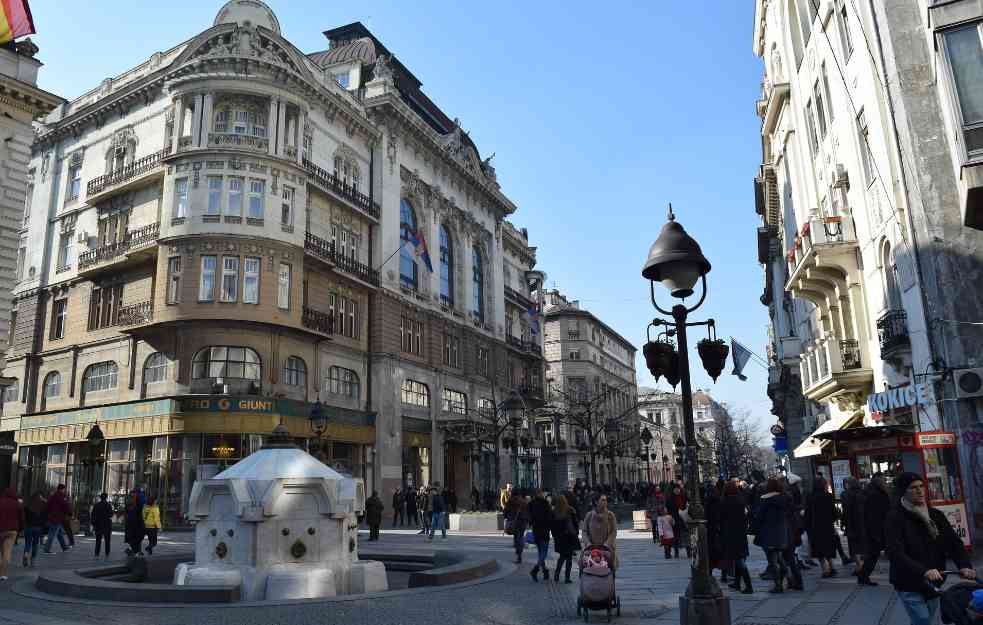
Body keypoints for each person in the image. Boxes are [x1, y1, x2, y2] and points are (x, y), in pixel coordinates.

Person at [886, 472, 975, 625]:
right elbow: (896, 553)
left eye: (921, 486)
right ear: (903, 492)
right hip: (908, 581)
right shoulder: (895, 517)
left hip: (935, 579)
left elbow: (954, 543)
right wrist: (924, 571)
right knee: (923, 619)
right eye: (913, 488)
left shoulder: (935, 515)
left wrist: (964, 565)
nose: (920, 491)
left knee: (928, 619)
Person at [754, 477, 789, 593]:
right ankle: (786, 575)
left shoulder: (766, 500)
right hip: (781, 532)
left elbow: (759, 517)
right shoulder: (784, 498)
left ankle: (778, 585)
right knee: (779, 557)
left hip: (769, 533)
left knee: (773, 561)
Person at [859, 474, 891, 585]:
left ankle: (863, 576)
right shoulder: (876, 495)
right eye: (884, 481)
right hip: (878, 530)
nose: (885, 483)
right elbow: (876, 515)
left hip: (875, 530)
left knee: (873, 555)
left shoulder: (870, 493)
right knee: (873, 555)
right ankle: (863, 576)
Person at [721, 480, 752, 594]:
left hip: (731, 533)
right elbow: (747, 515)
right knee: (738, 557)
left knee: (739, 559)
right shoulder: (741, 499)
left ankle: (749, 586)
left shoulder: (726, 502)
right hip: (741, 532)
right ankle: (737, 583)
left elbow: (722, 517)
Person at [804, 477, 838, 578]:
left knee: (819, 549)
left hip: (815, 527)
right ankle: (832, 567)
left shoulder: (811, 497)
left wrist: (807, 525)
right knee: (828, 547)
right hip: (827, 526)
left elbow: (808, 513)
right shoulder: (828, 496)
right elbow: (834, 512)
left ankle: (825, 569)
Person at [840, 477, 867, 579]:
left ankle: (859, 566)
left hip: (851, 524)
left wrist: (843, 523)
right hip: (862, 523)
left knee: (853, 547)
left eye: (846, 483)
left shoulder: (846, 494)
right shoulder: (862, 493)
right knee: (862, 545)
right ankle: (862, 565)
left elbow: (845, 511)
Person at [583, 495, 618, 571]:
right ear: (596, 502)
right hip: (592, 548)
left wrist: (607, 543)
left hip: (607, 549)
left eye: (605, 500)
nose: (605, 502)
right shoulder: (589, 515)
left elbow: (614, 531)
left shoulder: (610, 515)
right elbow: (584, 531)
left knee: (609, 571)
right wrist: (588, 543)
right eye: (602, 500)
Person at [551, 495, 579, 583]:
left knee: (562, 557)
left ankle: (557, 574)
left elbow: (552, 526)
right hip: (569, 537)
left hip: (559, 538)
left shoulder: (554, 512)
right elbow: (575, 523)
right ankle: (567, 577)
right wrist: (576, 532)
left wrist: (555, 536)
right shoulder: (570, 510)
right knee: (569, 558)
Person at [528, 489, 552, 582]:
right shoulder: (545, 503)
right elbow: (550, 517)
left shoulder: (531, 504)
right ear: (540, 494)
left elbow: (529, 516)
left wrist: (531, 523)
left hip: (536, 530)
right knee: (544, 552)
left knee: (540, 552)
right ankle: (535, 569)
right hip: (544, 530)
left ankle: (545, 571)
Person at [0, 488, 22, 581]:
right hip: (12, 531)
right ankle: (3, 574)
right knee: (7, 552)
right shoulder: (17, 504)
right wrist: (21, 529)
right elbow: (21, 518)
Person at [42, 484, 71, 554]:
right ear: (62, 489)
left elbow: (47, 505)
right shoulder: (62, 496)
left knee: (59, 533)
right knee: (52, 534)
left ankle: (64, 547)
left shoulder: (53, 496)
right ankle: (47, 549)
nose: (64, 491)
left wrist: (48, 514)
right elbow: (65, 506)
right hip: (58, 518)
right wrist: (69, 513)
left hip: (52, 517)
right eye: (64, 489)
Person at [22, 492, 45, 567]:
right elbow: (44, 517)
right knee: (35, 544)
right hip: (38, 528)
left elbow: (24, 517)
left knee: (28, 543)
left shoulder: (27, 505)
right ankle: (33, 560)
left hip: (28, 527)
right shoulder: (42, 506)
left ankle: (26, 554)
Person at [507, 492, 530, 564]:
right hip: (523, 522)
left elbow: (506, 511)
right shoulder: (524, 502)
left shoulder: (511, 501)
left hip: (515, 521)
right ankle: (519, 553)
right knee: (520, 536)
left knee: (517, 537)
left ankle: (518, 552)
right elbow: (528, 512)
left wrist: (508, 518)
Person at [91, 493, 114, 559]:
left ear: (100, 497)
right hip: (106, 525)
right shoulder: (108, 505)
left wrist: (93, 524)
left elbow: (93, 515)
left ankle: (97, 552)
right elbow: (111, 515)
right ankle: (107, 552)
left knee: (98, 540)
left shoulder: (96, 505)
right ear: (106, 497)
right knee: (107, 540)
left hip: (98, 525)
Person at [124, 491, 145, 556]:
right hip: (134, 525)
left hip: (133, 524)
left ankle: (133, 550)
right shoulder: (135, 505)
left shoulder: (133, 505)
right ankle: (134, 551)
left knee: (135, 539)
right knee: (136, 539)